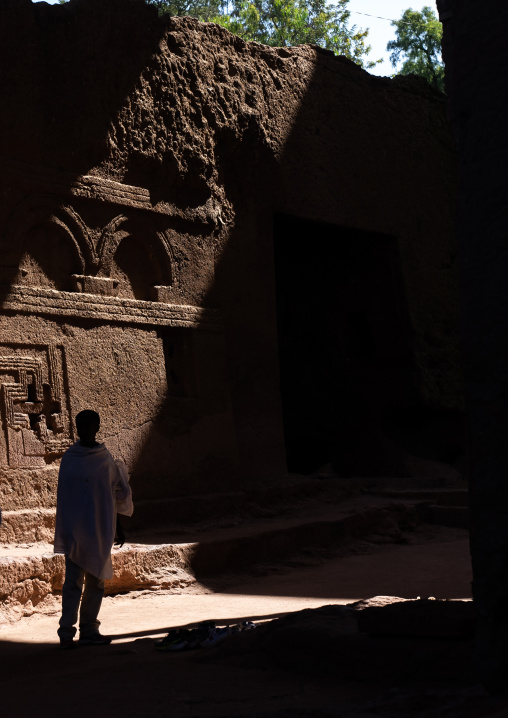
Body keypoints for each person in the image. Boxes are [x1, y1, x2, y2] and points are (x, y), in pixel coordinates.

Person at [54, 409, 133, 648]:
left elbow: (115, 494)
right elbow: (65, 499)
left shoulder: (105, 458)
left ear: (97, 427)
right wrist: (67, 531)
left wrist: (118, 526)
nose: (87, 430)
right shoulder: (71, 458)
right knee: (73, 582)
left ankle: (89, 629)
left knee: (97, 581)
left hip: (99, 529)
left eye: (91, 425)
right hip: (77, 532)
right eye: (82, 426)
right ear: (76, 428)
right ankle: (66, 632)